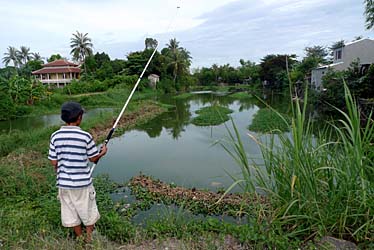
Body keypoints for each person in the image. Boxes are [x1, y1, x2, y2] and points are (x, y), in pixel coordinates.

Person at [48, 101, 107, 243]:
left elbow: (54, 162)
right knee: (88, 211)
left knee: (70, 212)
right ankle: (89, 238)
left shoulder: (55, 136)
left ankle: (79, 238)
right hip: (83, 184)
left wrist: (60, 169)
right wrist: (102, 153)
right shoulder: (85, 136)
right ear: (79, 117)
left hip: (64, 184)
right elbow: (93, 159)